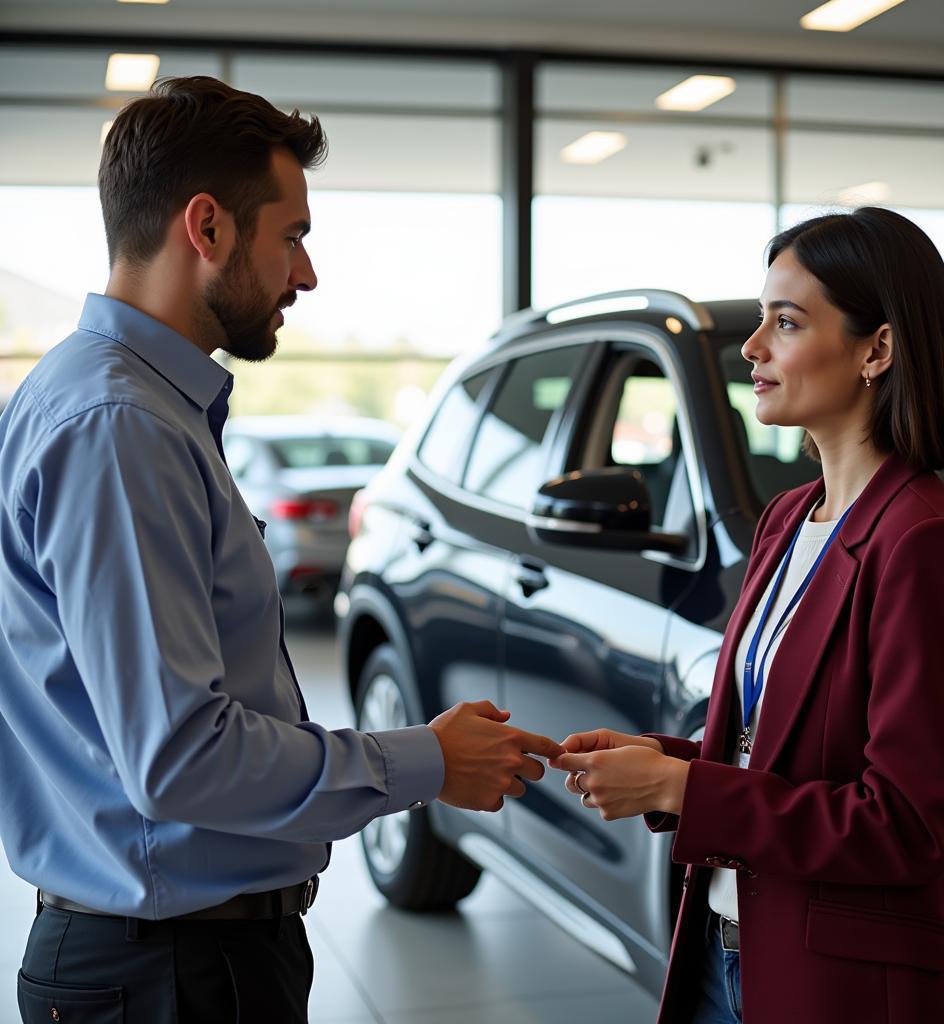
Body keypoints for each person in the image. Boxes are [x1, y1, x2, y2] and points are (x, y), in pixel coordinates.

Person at [0, 76, 562, 1024]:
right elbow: (180, 757)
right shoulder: (119, 427)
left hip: (179, 956)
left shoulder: (125, 404)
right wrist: (424, 761)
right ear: (207, 227)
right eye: (293, 234)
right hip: (168, 974)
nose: (307, 274)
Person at [553, 207, 944, 1024]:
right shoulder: (790, 518)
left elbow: (907, 826)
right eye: (760, 320)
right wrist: (665, 760)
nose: (752, 348)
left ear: (879, 350)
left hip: (839, 984)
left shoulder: (920, 542)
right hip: (730, 948)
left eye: (784, 323)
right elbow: (784, 751)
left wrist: (689, 788)